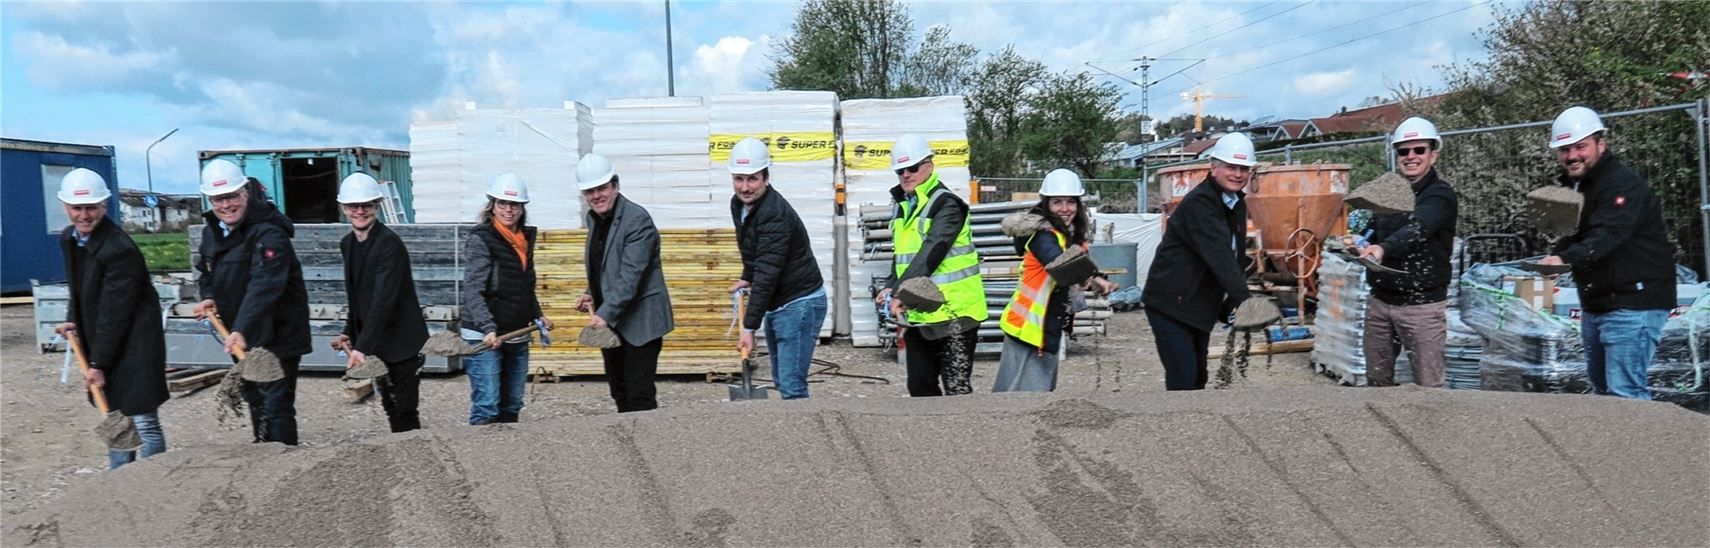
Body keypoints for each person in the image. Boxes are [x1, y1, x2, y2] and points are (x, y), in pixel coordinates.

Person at [1537, 106, 1676, 400]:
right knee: (1604, 396)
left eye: (1580, 146)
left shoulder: (1621, 184)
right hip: (1598, 302)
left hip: (1634, 301)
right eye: (1564, 149)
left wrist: (1564, 260)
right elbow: (1572, 234)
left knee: (1625, 393)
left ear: (1601, 144)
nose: (1572, 155)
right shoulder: (1575, 186)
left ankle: (1643, 447)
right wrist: (1556, 258)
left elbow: (1608, 234)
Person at [52, 168, 170, 469]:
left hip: (135, 340)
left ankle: (156, 481)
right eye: (77, 208)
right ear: (65, 207)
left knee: (142, 417)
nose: (84, 214)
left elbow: (116, 311)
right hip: (106, 337)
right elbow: (79, 289)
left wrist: (98, 364)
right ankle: (119, 484)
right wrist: (72, 319)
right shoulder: (70, 239)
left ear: (104, 206)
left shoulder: (119, 249)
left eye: (91, 207)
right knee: (115, 413)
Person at [193, 159, 312, 445]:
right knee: (255, 398)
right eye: (219, 199)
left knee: (276, 404)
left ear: (245, 192)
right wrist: (208, 295)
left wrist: (242, 328)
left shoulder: (269, 233)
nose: (226, 205)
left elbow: (266, 283)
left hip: (276, 334)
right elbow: (205, 270)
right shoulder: (212, 232)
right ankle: (263, 460)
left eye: (232, 196)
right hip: (241, 334)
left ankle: (284, 464)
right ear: (210, 200)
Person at [874, 134, 988, 397]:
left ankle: (963, 436)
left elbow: (933, 251)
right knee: (919, 386)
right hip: (922, 312)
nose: (905, 174)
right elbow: (904, 256)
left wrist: (901, 293)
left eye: (912, 168)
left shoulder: (947, 204)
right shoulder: (905, 206)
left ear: (929, 166)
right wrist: (890, 286)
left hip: (957, 313)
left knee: (956, 387)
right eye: (900, 170)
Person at [1141, 132, 1256, 390]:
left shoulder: (1235, 203)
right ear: (1214, 167)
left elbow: (1235, 255)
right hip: (1171, 302)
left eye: (1243, 168)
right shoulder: (1201, 203)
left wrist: (1229, 303)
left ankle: (1194, 426)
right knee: (1183, 379)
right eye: (1231, 167)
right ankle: (1177, 426)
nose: (1237, 174)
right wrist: (1245, 300)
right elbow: (1218, 253)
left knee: (1198, 378)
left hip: (1198, 304)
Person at [993, 169, 1117, 392]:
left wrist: (1095, 278)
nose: (1065, 209)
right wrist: (1094, 279)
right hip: (1029, 328)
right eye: (1057, 202)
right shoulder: (1043, 236)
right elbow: (1059, 262)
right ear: (1046, 204)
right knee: (1024, 396)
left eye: (1071, 202)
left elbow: (1079, 261)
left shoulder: (1068, 236)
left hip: (1041, 326)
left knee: (1021, 393)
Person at [1357, 116, 1459, 388]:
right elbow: (1371, 228)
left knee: (1428, 387)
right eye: (1404, 151)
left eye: (1418, 150)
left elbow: (1418, 229)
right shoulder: (1390, 194)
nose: (1410, 156)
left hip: (1421, 305)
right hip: (1381, 301)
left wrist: (1382, 247)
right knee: (1377, 381)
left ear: (1433, 155)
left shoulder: (1440, 195)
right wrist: (1359, 241)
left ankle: (1429, 430)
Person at [726, 138, 827, 399]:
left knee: (792, 385)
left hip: (799, 303)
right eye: (739, 179)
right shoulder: (739, 205)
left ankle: (808, 436)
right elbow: (753, 251)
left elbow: (768, 273)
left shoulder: (774, 214)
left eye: (753, 179)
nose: (745, 187)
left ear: (766, 178)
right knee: (781, 379)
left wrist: (749, 329)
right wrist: (747, 277)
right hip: (780, 301)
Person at [574, 154, 675, 412]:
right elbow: (605, 263)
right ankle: (629, 448)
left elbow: (632, 275)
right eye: (589, 191)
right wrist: (591, 292)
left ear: (615, 186)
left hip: (640, 322)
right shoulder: (595, 219)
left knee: (638, 394)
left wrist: (604, 314)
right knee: (619, 390)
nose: (596, 195)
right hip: (612, 321)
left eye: (601, 188)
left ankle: (648, 446)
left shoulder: (637, 220)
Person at [332, 173, 428, 432]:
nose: (360, 211)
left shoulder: (389, 245)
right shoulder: (348, 244)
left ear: (377, 206)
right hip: (378, 340)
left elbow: (383, 300)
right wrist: (348, 331)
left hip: (403, 341)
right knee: (388, 402)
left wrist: (361, 347)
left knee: (404, 406)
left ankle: (416, 455)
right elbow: (357, 296)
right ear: (344, 209)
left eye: (367, 205)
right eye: (354, 206)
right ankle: (401, 450)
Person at [460, 173, 552, 424]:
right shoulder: (482, 239)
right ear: (492, 205)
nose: (509, 210)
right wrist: (488, 327)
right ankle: (481, 459)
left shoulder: (523, 239)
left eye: (515, 204)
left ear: (522, 208)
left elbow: (525, 284)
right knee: (488, 405)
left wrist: (537, 314)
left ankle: (508, 459)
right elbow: (472, 290)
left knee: (512, 404)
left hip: (516, 332)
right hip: (484, 334)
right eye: (503, 203)